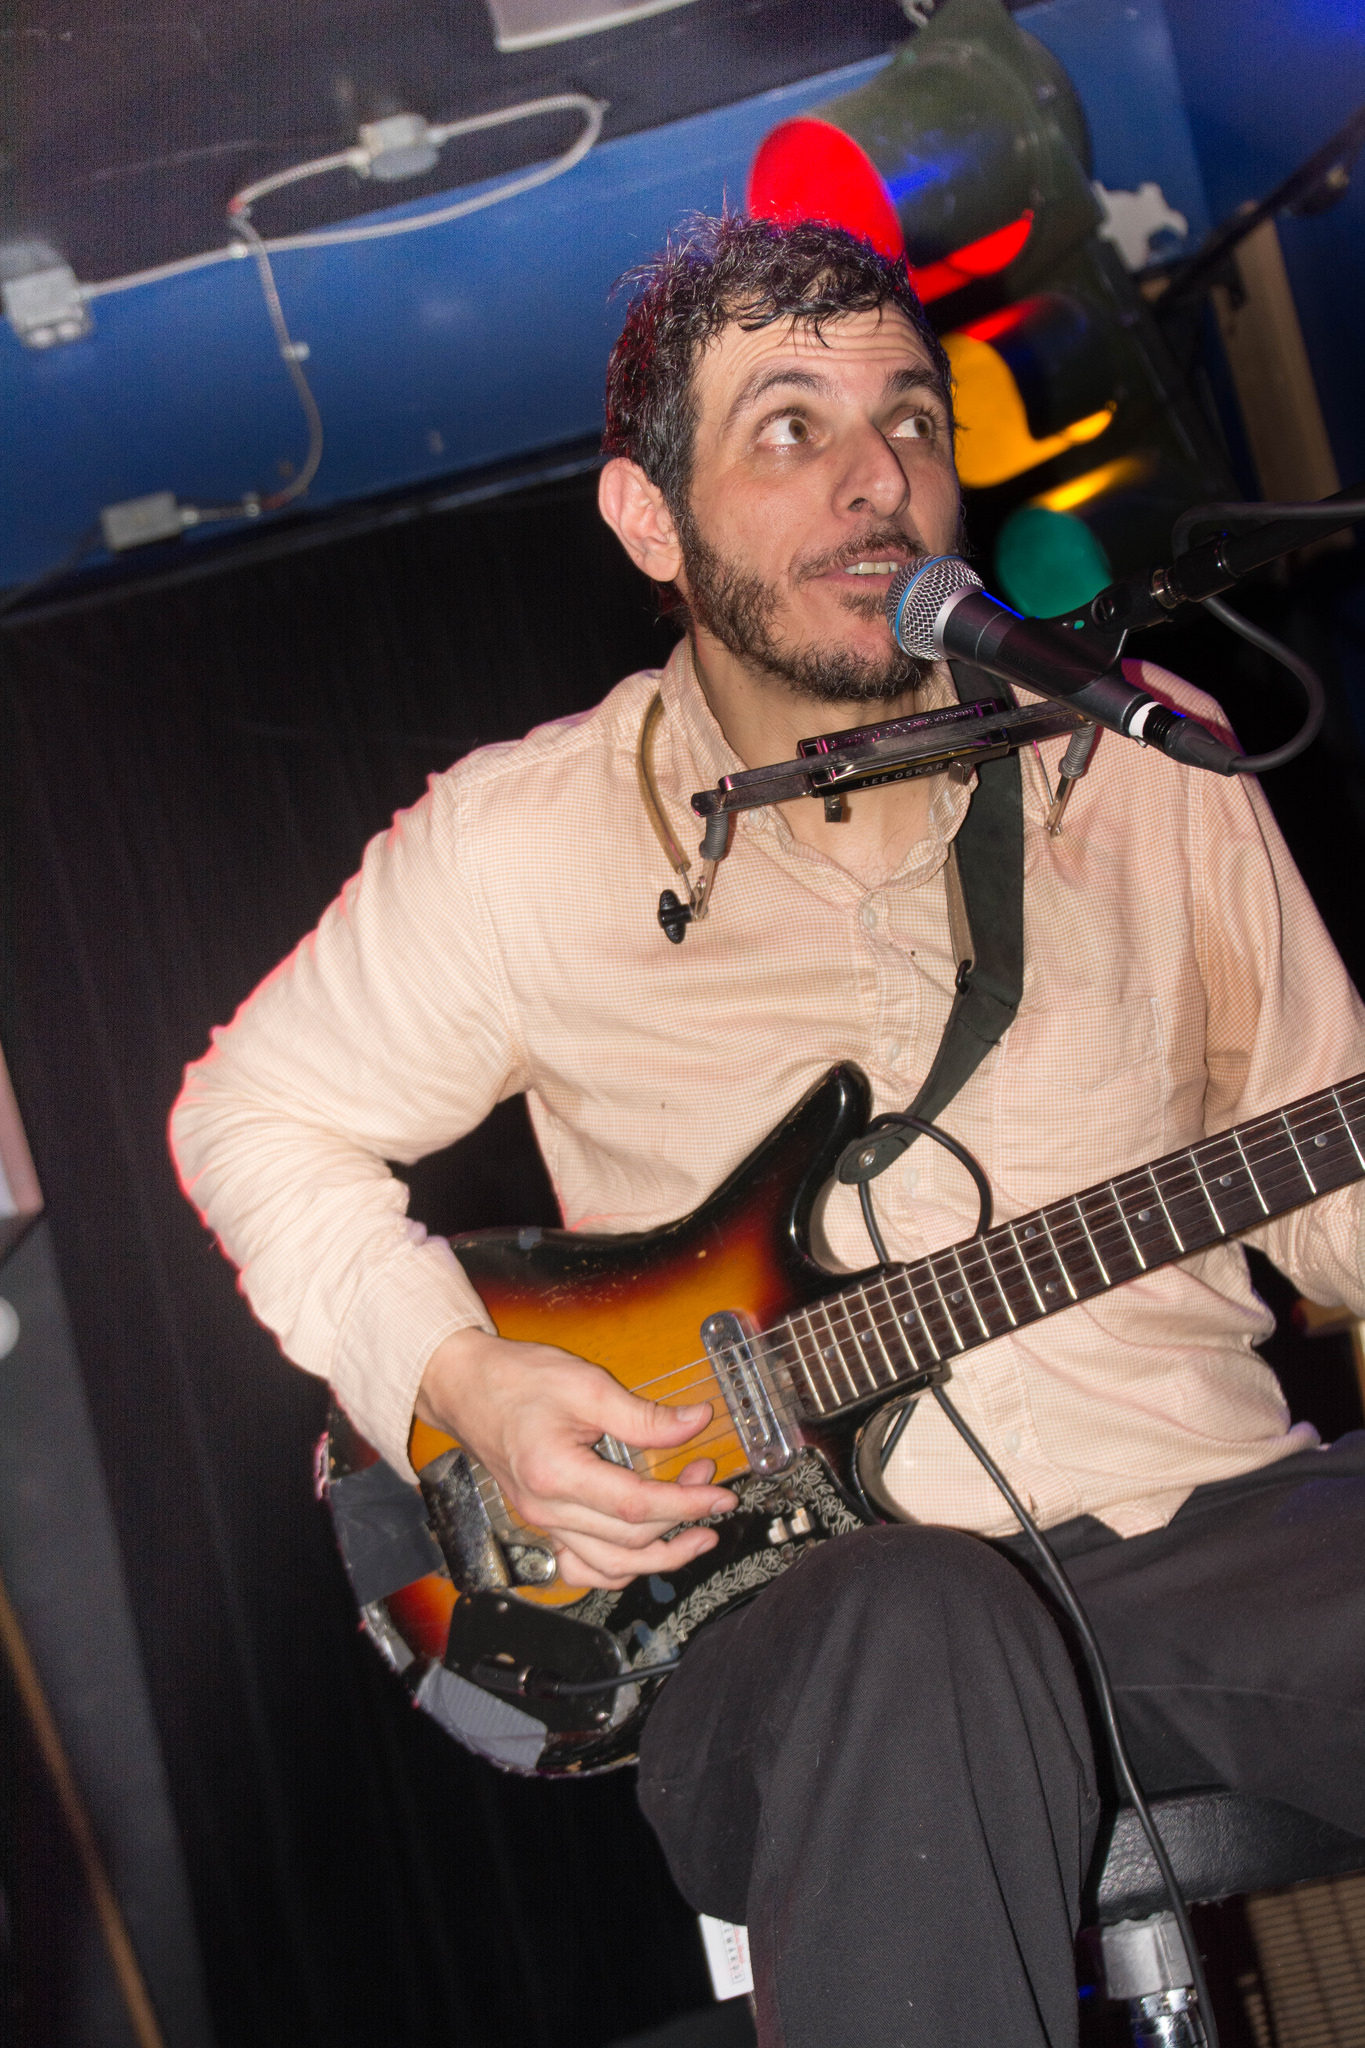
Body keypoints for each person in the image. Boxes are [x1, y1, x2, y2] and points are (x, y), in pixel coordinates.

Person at [171, 215, 1365, 2047]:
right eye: (788, 427)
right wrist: (459, 1374)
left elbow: (1325, 1193)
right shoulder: (515, 842)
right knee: (916, 1624)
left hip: (1205, 1520)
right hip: (801, 1618)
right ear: (649, 519)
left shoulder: (1142, 756)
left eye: (911, 419)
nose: (875, 477)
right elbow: (254, 1117)